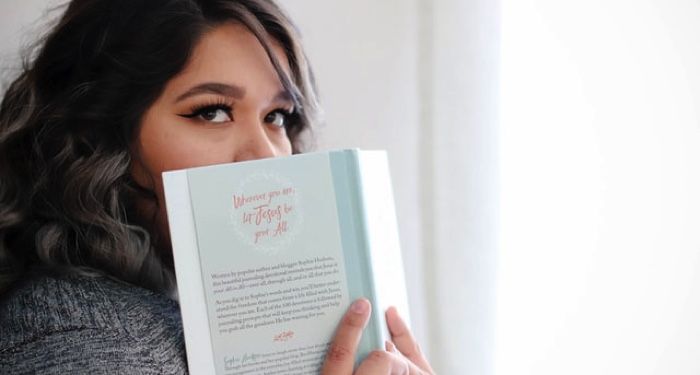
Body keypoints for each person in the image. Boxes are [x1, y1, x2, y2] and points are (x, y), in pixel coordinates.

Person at [0, 0, 435, 374]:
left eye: (277, 116)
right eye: (211, 112)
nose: (266, 156)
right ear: (97, 137)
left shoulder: (188, 317)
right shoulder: (82, 346)